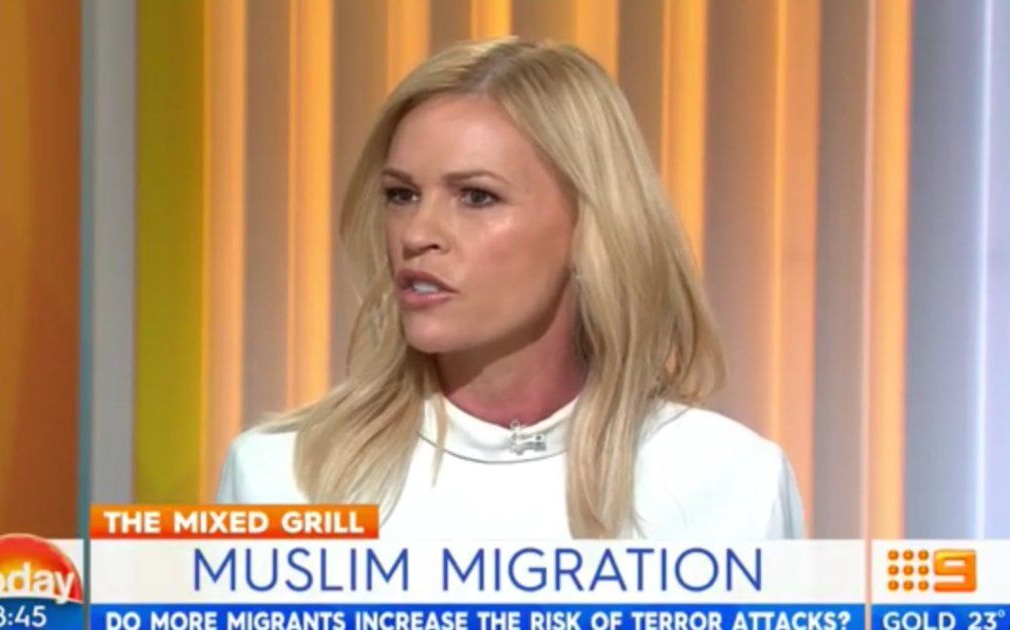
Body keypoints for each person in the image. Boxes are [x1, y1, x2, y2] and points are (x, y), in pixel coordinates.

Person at [216, 37, 805, 539]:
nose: (417, 234)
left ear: (590, 225)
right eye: (402, 195)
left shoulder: (733, 483)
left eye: (477, 197)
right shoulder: (282, 479)